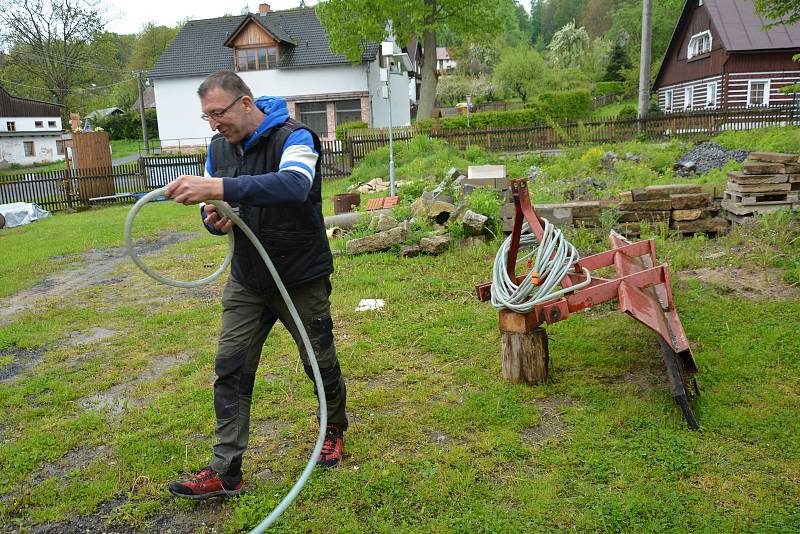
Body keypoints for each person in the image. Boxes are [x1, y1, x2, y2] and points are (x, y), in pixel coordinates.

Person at [164, 70, 348, 499]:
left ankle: (333, 429)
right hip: (248, 280)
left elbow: (295, 184)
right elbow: (216, 207)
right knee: (230, 368)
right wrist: (213, 217)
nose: (213, 124)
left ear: (245, 104)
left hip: (299, 275)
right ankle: (226, 469)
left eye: (218, 113)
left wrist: (216, 186)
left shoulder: (295, 136)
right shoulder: (217, 149)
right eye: (206, 116)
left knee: (318, 361)